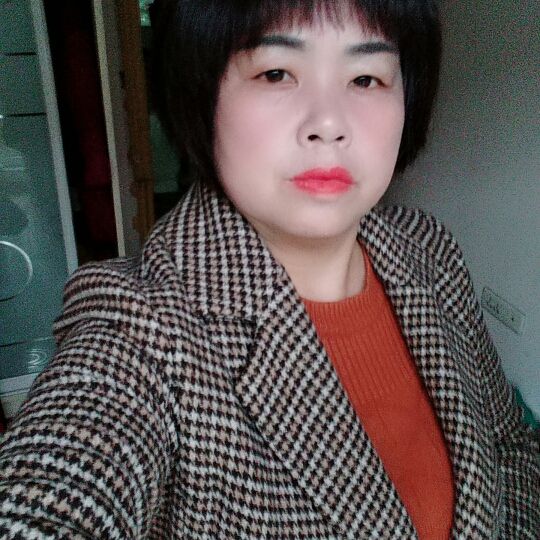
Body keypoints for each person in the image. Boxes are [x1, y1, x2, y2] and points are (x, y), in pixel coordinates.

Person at [0, 0, 538, 538]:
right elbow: (57, 485)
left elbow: (510, 445)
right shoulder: (142, 325)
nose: (329, 124)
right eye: (276, 73)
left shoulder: (429, 249)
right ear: (203, 92)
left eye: (366, 78)